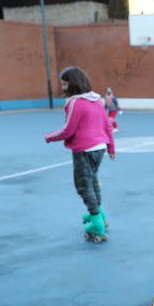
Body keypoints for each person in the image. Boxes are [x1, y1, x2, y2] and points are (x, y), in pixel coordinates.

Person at [45, 66, 115, 240]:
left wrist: (49, 137)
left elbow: (68, 130)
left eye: (64, 84)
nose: (62, 88)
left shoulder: (74, 102)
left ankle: (97, 224)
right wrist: (111, 147)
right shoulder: (97, 99)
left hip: (84, 150)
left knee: (83, 185)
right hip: (100, 148)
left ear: (73, 84)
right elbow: (107, 126)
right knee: (92, 181)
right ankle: (98, 215)